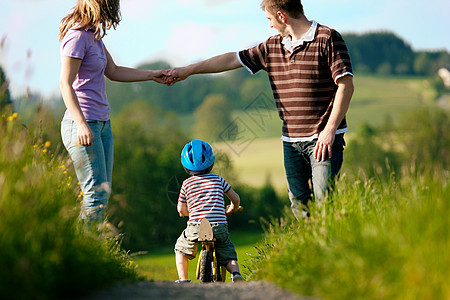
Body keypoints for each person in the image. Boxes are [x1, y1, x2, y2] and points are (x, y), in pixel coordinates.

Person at [165, 0, 354, 219]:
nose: (270, 25)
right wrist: (189, 70)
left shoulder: (328, 38)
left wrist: (330, 130)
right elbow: (231, 59)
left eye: (270, 19)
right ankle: (313, 250)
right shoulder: (272, 47)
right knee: (299, 205)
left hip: (324, 139)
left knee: (324, 201)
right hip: (291, 142)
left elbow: (346, 85)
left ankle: (333, 250)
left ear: (282, 16)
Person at [59, 0, 169, 223]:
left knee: (103, 194)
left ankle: (91, 249)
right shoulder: (77, 36)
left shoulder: (94, 37)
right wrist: (81, 123)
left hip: (102, 125)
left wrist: (152, 74)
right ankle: (84, 252)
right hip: (82, 125)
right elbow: (64, 83)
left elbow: (114, 71)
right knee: (95, 195)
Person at [174, 140, 243, 283]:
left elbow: (181, 209)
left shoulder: (186, 184)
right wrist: (232, 208)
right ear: (211, 162)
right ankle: (236, 274)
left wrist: (187, 214)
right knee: (227, 252)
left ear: (185, 165)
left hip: (196, 226)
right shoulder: (218, 179)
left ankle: (183, 279)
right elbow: (236, 199)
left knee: (180, 249)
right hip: (220, 226)